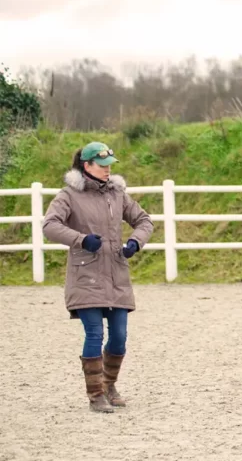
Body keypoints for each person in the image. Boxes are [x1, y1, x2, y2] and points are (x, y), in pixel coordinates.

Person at [42, 142, 154, 413]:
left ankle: (108, 384)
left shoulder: (117, 194)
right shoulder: (68, 195)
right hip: (85, 276)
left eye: (110, 166)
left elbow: (144, 220)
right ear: (86, 165)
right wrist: (80, 239)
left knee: (119, 337)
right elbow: (50, 225)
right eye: (102, 166)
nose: (108, 170)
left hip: (116, 274)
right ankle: (95, 395)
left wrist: (135, 243)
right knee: (94, 334)